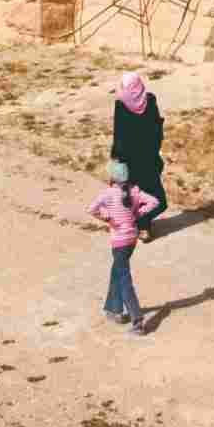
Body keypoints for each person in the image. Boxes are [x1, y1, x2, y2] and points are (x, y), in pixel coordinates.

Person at [93, 163, 159, 335]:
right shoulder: (135, 191)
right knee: (117, 271)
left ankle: (137, 322)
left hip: (119, 241)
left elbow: (91, 209)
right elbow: (154, 201)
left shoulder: (108, 194)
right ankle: (113, 309)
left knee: (124, 279)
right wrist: (137, 214)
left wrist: (107, 218)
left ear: (112, 177)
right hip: (132, 240)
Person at [111, 72, 167, 222]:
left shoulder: (121, 103)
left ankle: (133, 223)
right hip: (148, 159)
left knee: (138, 196)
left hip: (131, 160)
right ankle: (141, 224)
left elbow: (119, 134)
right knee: (158, 201)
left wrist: (116, 158)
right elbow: (157, 129)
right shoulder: (149, 100)